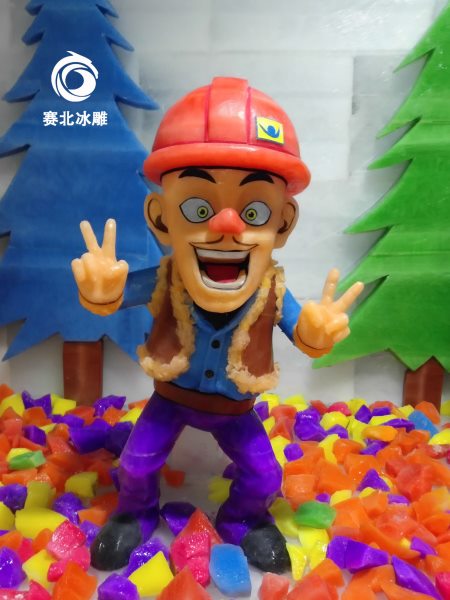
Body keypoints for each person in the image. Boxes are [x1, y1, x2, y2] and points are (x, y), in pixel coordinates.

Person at [72, 77, 363, 571]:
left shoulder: (272, 291)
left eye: (254, 210)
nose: (227, 226)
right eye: (198, 208)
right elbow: (116, 295)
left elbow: (303, 334)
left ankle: (243, 519)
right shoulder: (167, 278)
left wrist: (315, 333)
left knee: (265, 477)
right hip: (171, 399)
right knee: (136, 463)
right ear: (161, 218)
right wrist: (101, 291)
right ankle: (135, 513)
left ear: (283, 223)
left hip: (234, 410)